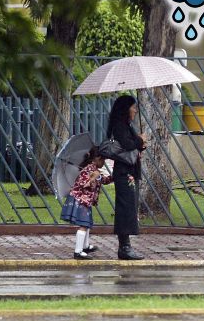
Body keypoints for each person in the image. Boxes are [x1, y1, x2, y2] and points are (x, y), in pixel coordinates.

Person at [107, 95, 147, 260]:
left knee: (129, 209)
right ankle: (124, 247)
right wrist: (140, 139)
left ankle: (126, 246)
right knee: (125, 209)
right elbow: (127, 145)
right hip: (124, 174)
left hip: (129, 172)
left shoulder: (126, 125)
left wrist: (140, 145)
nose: (135, 110)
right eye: (133, 107)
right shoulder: (119, 126)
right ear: (126, 108)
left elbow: (130, 148)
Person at [60, 146, 113, 259]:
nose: (103, 163)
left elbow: (103, 180)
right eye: (103, 160)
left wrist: (113, 177)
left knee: (87, 224)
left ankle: (85, 246)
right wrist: (92, 179)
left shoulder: (95, 170)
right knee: (83, 224)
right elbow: (82, 184)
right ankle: (78, 252)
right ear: (97, 158)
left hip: (85, 201)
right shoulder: (88, 170)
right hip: (80, 201)